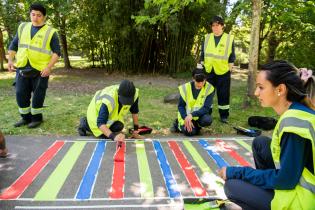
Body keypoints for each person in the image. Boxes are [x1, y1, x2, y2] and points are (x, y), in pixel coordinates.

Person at [218, 60, 315, 210]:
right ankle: (265, 195)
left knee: (232, 186)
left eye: (261, 87)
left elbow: (286, 180)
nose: (256, 93)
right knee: (261, 143)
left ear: (280, 89)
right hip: (296, 180)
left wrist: (237, 172)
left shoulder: (293, 123)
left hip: (302, 201)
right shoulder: (299, 110)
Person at [7, 3, 61, 128]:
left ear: (44, 17)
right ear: (30, 14)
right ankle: (25, 118)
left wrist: (48, 67)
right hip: (22, 68)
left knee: (38, 96)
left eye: (39, 15)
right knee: (20, 94)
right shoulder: (22, 27)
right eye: (33, 14)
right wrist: (10, 60)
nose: (35, 17)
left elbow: (57, 52)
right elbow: (13, 45)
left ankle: (36, 118)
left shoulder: (51, 32)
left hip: (40, 70)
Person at [199, 15, 235, 123]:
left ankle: (224, 116)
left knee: (223, 93)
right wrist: (201, 68)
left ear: (222, 26)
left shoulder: (229, 38)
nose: (215, 27)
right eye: (213, 25)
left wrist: (229, 68)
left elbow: (232, 56)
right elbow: (202, 53)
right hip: (209, 70)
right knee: (207, 93)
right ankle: (206, 113)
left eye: (217, 25)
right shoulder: (207, 37)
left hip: (223, 71)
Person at [171, 68, 215, 136]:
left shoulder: (210, 88)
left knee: (207, 120)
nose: (200, 84)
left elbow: (206, 108)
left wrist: (192, 115)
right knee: (190, 133)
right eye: (198, 82)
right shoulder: (185, 88)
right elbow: (181, 106)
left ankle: (196, 126)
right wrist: (185, 117)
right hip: (186, 116)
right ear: (193, 79)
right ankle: (177, 124)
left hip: (199, 116)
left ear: (205, 79)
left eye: (202, 82)